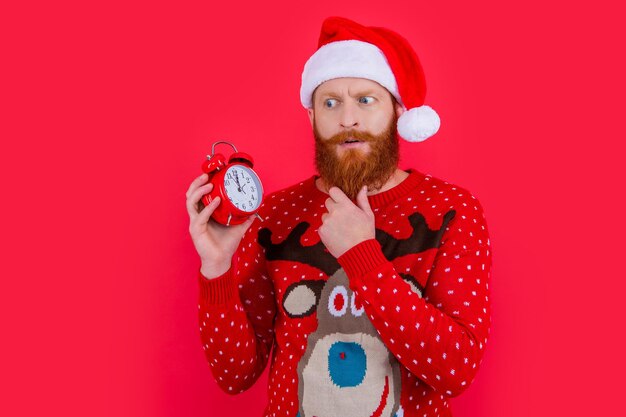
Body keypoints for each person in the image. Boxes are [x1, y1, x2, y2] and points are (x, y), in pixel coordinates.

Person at [186, 16, 492, 417]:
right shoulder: (275, 216)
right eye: (330, 102)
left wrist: (363, 255)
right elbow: (235, 376)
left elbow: (456, 371)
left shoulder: (451, 209)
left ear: (398, 111)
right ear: (312, 117)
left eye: (366, 99)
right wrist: (216, 268)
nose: (348, 118)